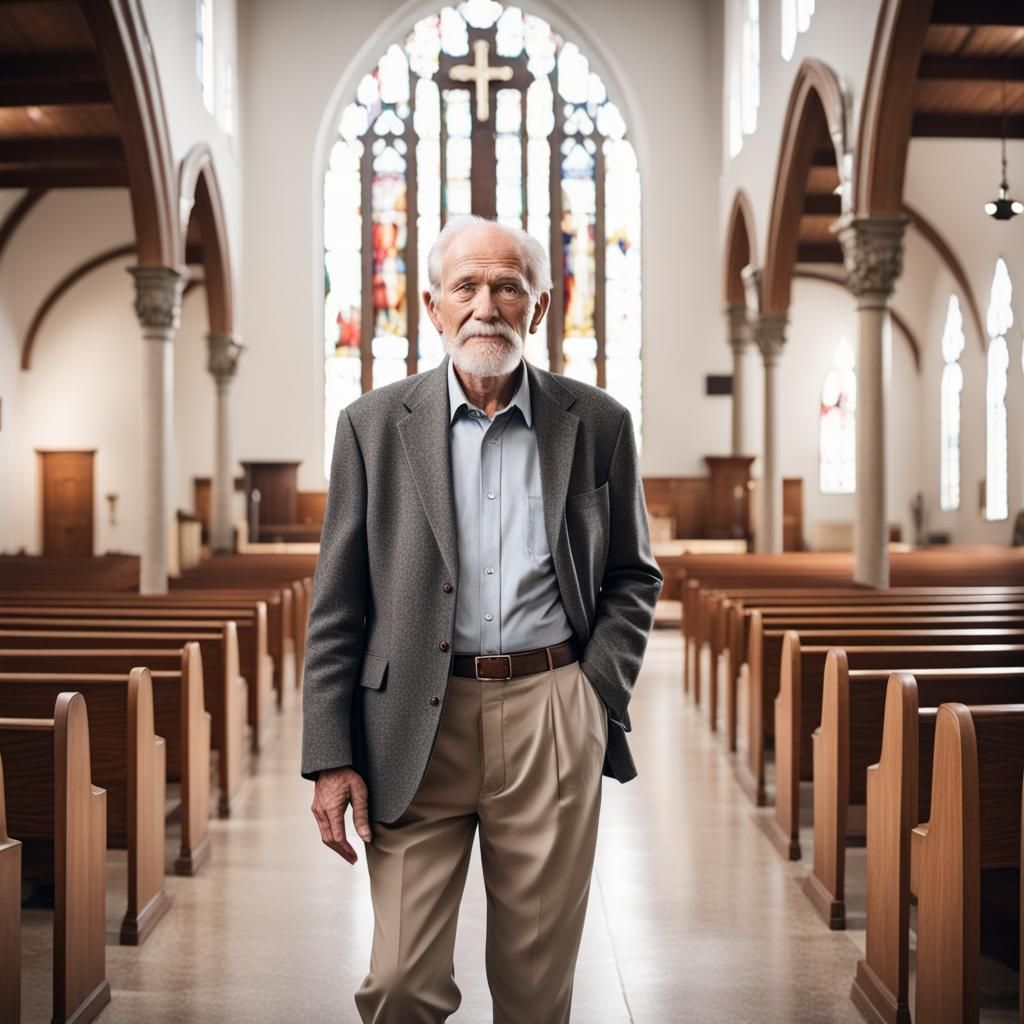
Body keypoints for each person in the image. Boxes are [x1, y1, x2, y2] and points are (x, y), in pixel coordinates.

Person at [302, 215, 662, 1023]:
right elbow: (337, 603)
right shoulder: (371, 426)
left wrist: (592, 695)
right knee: (398, 983)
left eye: (508, 286)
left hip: (550, 712)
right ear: (431, 306)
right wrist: (329, 754)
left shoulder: (598, 423)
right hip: (411, 722)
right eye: (466, 285)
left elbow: (635, 575)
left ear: (539, 308)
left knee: (536, 989)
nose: (485, 304)